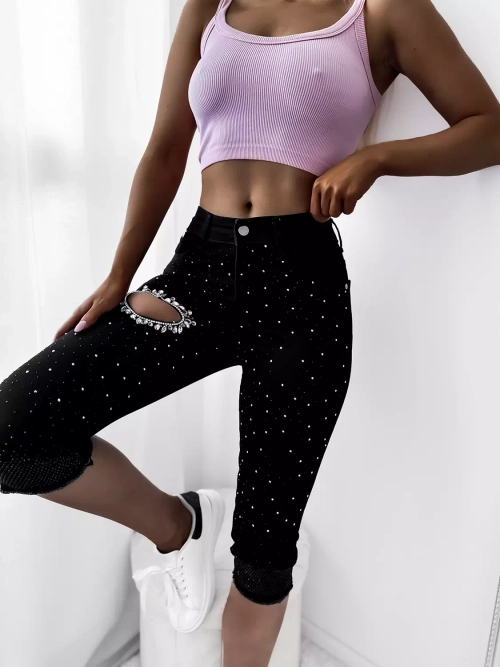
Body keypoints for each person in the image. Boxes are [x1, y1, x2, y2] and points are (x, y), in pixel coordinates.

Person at [1, 0, 499, 664]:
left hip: (303, 293)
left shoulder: (382, 9)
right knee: (14, 429)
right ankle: (176, 526)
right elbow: (166, 148)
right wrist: (119, 275)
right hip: (196, 274)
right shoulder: (210, 6)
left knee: (264, 554)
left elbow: (488, 126)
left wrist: (378, 158)